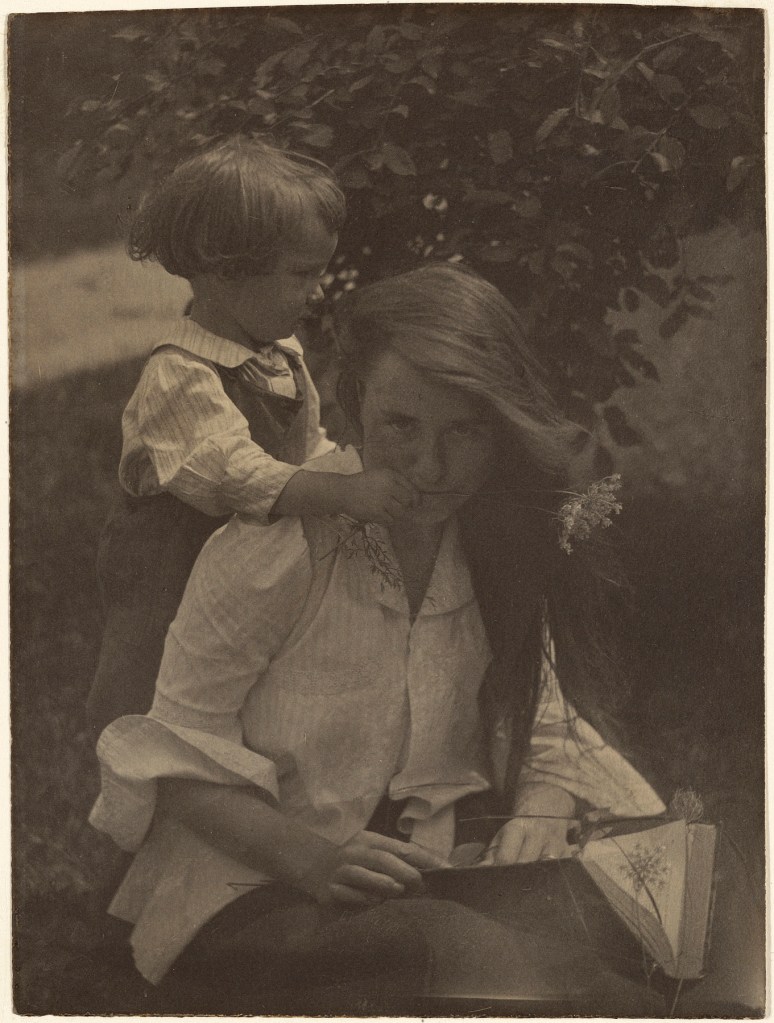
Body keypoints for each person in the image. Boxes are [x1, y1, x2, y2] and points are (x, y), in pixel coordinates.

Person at [90, 264, 749, 1014]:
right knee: (471, 956)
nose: (430, 468)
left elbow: (547, 722)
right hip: (270, 879)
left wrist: (539, 807)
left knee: (701, 879)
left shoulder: (492, 544)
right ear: (355, 401)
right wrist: (314, 860)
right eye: (402, 426)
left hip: (445, 862)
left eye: (463, 432)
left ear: (497, 431)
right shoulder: (279, 545)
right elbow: (175, 760)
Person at [87, 137, 419, 737]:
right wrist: (341, 494)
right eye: (302, 274)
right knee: (156, 686)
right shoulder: (178, 375)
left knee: (247, 670)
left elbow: (301, 445)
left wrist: (344, 472)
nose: (318, 290)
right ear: (224, 271)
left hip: (246, 548)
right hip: (177, 555)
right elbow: (235, 472)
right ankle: (150, 783)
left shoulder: (278, 352)